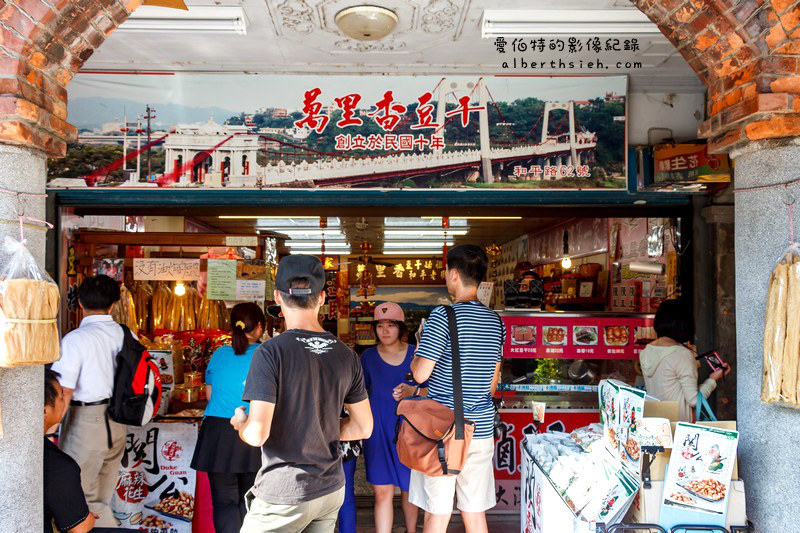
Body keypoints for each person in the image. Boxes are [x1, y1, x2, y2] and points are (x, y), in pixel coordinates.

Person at [231, 254, 374, 533]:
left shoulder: (270, 352)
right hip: (329, 488)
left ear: (278, 297)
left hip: (285, 490)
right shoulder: (346, 355)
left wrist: (241, 424)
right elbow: (363, 426)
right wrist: (322, 427)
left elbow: (257, 434)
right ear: (322, 298)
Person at [408, 244, 506, 533]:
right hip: (482, 430)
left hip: (443, 432)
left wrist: (418, 348)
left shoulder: (442, 316)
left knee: (436, 516)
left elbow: (421, 374)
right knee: (474, 514)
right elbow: (492, 384)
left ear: (453, 275)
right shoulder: (496, 321)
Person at [51, 275, 127, 527]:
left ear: (80, 303)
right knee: (101, 498)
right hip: (118, 422)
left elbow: (65, 391)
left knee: (81, 498)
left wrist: (51, 429)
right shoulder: (126, 335)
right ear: (113, 304)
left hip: (87, 423)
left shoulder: (76, 339)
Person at [191, 302, 265, 533]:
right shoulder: (267, 354)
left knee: (224, 502)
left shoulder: (219, 354)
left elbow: (210, 394)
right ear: (260, 327)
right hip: (252, 429)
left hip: (218, 433)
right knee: (251, 501)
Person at [361, 302, 422, 533]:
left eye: (391, 325)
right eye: (380, 325)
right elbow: (359, 393)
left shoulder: (416, 354)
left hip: (410, 432)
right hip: (377, 432)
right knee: (382, 490)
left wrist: (413, 391)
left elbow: (431, 390)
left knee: (410, 489)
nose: (385, 331)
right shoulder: (367, 357)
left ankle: (411, 530)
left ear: (400, 327)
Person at [640, 299, 731, 422]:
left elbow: (671, 387)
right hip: (679, 426)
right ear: (685, 324)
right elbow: (694, 401)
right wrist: (713, 379)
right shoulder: (682, 355)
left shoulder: (646, 351)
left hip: (656, 423)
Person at [43, 368, 96, 533]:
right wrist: (88, 518)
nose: (63, 401)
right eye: (60, 397)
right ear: (45, 410)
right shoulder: (58, 465)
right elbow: (79, 528)